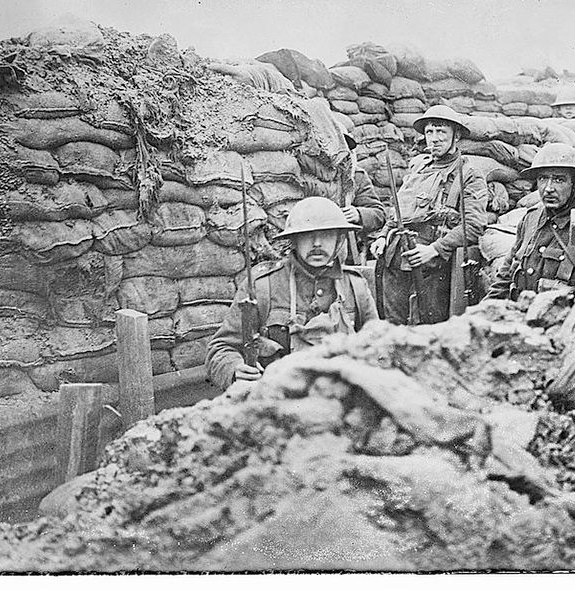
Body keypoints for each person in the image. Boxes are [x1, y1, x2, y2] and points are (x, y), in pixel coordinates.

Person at [206, 196, 379, 390]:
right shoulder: (263, 285)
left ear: (340, 239)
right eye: (307, 235)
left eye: (327, 234)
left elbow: (379, 346)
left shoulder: (355, 286)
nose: (317, 244)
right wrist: (234, 369)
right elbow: (221, 349)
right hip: (280, 401)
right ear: (294, 240)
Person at [370, 104, 488, 324]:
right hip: (395, 259)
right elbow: (399, 211)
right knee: (392, 327)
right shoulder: (417, 169)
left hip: (435, 267)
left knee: (429, 330)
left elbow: (473, 225)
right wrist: (382, 236)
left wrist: (435, 249)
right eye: (429, 132)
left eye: (441, 131)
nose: (434, 138)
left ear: (456, 135)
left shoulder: (469, 174)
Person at [486, 143, 575, 300]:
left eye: (559, 180)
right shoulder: (530, 218)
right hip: (518, 314)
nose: (548, 188)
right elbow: (505, 276)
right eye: (543, 179)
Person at [339, 130, 386, 255]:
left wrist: (359, 214)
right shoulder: (310, 174)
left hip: (346, 250)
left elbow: (379, 214)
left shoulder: (357, 177)